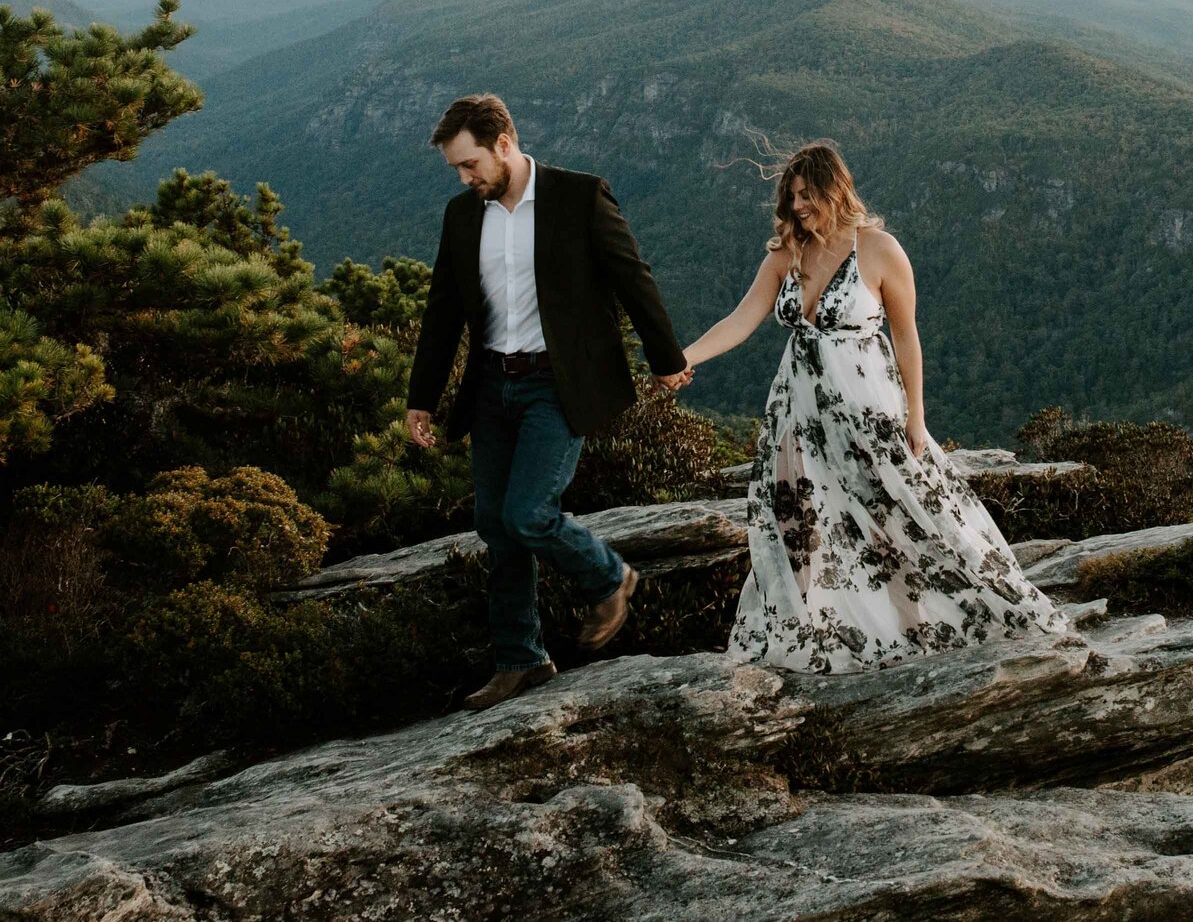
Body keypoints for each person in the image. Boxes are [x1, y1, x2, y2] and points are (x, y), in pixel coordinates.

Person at [671, 139, 1075, 672]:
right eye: (790, 197)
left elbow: (907, 338)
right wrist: (683, 356)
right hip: (798, 415)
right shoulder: (785, 253)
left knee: (904, 516)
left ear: (834, 190)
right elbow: (742, 319)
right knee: (802, 522)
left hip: (869, 412)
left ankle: (932, 617)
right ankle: (818, 632)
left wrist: (916, 416)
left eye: (806, 195)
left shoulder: (881, 250)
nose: (797, 208)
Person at [404, 94, 690, 709]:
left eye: (469, 163)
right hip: (490, 386)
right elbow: (442, 310)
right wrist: (421, 399)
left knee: (529, 513)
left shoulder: (578, 197)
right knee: (495, 527)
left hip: (556, 385)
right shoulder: (464, 216)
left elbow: (631, 276)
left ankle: (610, 576)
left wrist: (667, 360)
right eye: (457, 168)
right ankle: (521, 659)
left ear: (503, 145)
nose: (464, 176)